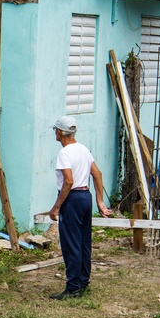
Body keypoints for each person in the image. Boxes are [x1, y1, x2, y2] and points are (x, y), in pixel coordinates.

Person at [44, 116, 112, 300]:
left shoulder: (64, 153)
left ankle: (73, 287)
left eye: (55, 131)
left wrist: (56, 207)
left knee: (71, 244)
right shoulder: (83, 149)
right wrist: (99, 201)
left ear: (59, 132)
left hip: (72, 199)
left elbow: (68, 181)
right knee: (83, 242)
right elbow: (96, 173)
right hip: (85, 197)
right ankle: (83, 281)